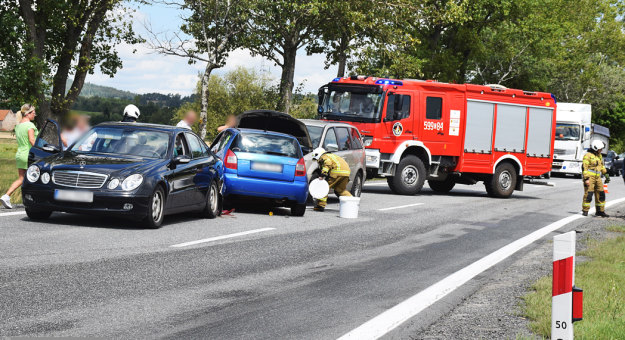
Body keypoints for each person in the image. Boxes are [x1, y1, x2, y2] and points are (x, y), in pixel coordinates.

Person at [1, 104, 38, 209]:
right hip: (28, 154)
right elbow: (32, 140)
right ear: (28, 113)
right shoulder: (30, 126)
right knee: (34, 178)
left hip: (20, 153)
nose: (35, 115)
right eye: (34, 112)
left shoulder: (18, 125)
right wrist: (40, 150)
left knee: (22, 178)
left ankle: (9, 196)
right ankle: (9, 196)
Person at [311, 147, 352, 212]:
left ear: (318, 154)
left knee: (324, 188)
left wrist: (323, 174)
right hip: (346, 173)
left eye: (316, 159)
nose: (317, 160)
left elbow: (328, 163)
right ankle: (351, 202)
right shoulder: (332, 156)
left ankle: (320, 205)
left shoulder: (324, 156)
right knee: (340, 190)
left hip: (336, 172)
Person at [582, 140, 609, 217]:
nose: (601, 150)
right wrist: (586, 179)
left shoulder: (599, 155)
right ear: (595, 148)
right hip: (590, 178)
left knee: (601, 194)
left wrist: (606, 174)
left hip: (598, 178)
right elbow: (584, 168)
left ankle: (600, 211)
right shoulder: (588, 155)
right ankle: (585, 210)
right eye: (600, 149)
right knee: (588, 194)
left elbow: (602, 166)